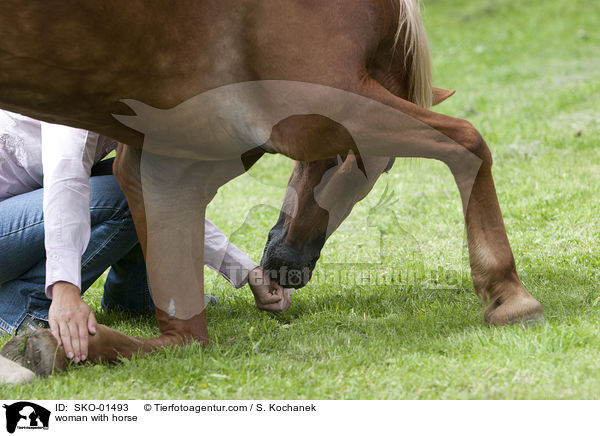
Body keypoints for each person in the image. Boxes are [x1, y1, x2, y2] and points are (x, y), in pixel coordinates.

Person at [0, 110, 291, 363]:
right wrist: (65, 289)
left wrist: (246, 270)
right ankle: (23, 303)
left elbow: (163, 197)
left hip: (16, 212)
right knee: (130, 192)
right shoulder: (79, 80)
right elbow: (66, 180)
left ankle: (135, 297)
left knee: (139, 178)